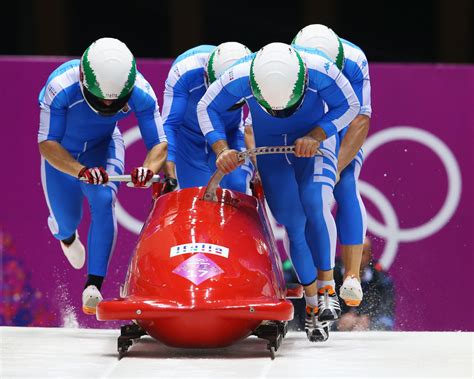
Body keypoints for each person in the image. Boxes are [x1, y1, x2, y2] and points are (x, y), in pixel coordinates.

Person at [197, 42, 360, 342]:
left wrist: (318, 133)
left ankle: (327, 289)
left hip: (314, 145)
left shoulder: (320, 69)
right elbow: (205, 107)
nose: (280, 112)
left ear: (303, 81)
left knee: (314, 202)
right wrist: (221, 148)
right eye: (272, 107)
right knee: (293, 224)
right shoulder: (240, 75)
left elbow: (350, 106)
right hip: (272, 150)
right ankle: (312, 308)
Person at [38, 37, 167, 315]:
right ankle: (66, 236)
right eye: (100, 101)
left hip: (103, 147)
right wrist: (80, 171)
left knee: (103, 197)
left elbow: (158, 144)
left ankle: (93, 284)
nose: (108, 107)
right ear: (84, 82)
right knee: (65, 222)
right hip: (62, 158)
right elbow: (48, 144)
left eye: (116, 103)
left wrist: (149, 168)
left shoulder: (141, 92)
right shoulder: (59, 86)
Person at [293, 24, 372, 309]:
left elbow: (360, 120)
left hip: (342, 122)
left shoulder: (354, 60)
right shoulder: (292, 61)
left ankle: (351, 275)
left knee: (346, 182)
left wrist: (337, 166)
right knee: (306, 196)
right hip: (309, 122)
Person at [161, 43, 253, 192]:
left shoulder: (251, 74)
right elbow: (169, 124)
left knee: (237, 186)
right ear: (206, 78)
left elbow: (256, 125)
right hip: (189, 138)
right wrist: (169, 174)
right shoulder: (184, 73)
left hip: (231, 131)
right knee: (197, 196)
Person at [333, 237, 395, 331]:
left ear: (370, 256)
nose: (355, 258)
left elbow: (387, 317)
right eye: (351, 253)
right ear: (343, 254)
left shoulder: (381, 280)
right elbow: (311, 317)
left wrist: (370, 322)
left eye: (361, 253)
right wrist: (336, 323)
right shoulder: (330, 277)